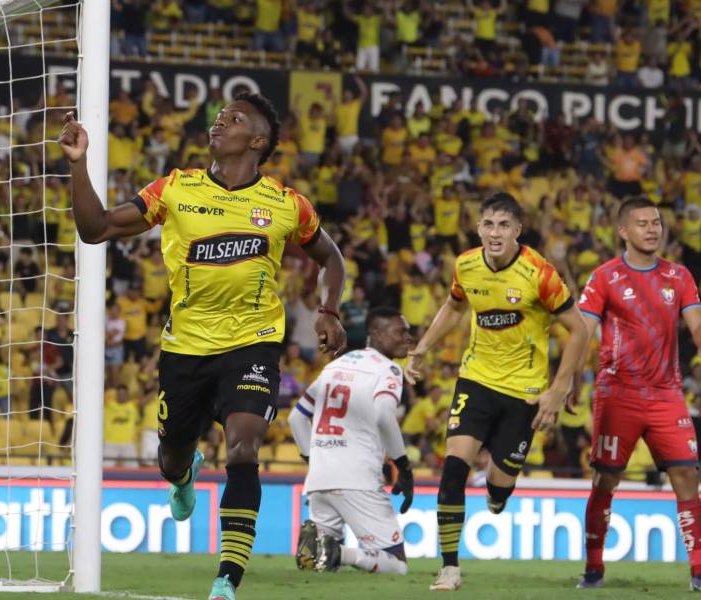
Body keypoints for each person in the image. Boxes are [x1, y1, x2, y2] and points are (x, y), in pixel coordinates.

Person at [59, 92, 346, 600]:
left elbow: (331, 257)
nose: (220, 121)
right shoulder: (175, 188)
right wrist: (78, 166)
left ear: (257, 141)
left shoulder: (285, 204)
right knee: (171, 459)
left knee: (244, 444)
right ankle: (184, 472)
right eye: (219, 115)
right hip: (185, 348)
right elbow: (96, 227)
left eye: (233, 119)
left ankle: (226, 580)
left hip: (253, 343)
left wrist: (329, 310)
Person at [404, 192, 588, 591]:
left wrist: (558, 389)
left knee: (499, 485)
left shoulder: (540, 272)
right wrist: (423, 347)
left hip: (524, 391)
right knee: (453, 467)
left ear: (518, 231)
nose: (495, 232)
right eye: (488, 224)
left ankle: (496, 493)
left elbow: (579, 330)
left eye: (504, 225)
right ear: (478, 228)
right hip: (477, 380)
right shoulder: (466, 265)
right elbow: (455, 307)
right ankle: (449, 567)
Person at [575, 196, 701, 590]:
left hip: (666, 394)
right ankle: (593, 568)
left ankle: (698, 570)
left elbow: (697, 327)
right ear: (623, 231)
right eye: (643, 223)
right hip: (618, 395)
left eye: (657, 222)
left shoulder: (678, 276)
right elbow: (581, 334)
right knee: (606, 480)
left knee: (686, 474)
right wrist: (567, 382)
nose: (652, 229)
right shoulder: (604, 277)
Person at [288, 307, 414, 575]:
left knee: (318, 568)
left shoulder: (335, 365)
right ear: (377, 334)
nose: (408, 337)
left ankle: (325, 550)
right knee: (397, 564)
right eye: (400, 331)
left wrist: (313, 459)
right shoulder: (388, 369)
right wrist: (403, 465)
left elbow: (296, 419)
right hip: (358, 478)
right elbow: (383, 415)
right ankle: (338, 552)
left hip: (319, 479)